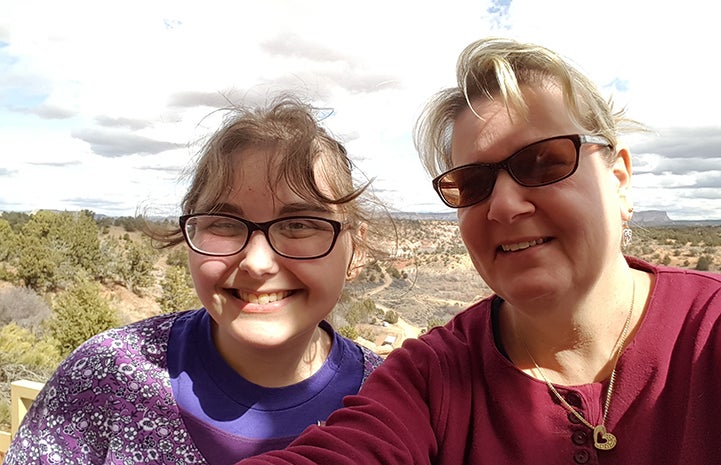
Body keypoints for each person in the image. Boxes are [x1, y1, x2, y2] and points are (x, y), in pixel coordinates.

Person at [231, 38, 721, 464]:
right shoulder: (430, 382)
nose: (504, 206)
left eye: (544, 161)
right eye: (473, 182)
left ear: (619, 181)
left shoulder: (707, 332)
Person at [4, 96, 385, 464]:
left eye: (299, 224)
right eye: (223, 223)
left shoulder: (392, 403)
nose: (257, 262)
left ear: (358, 249)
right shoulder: (107, 376)